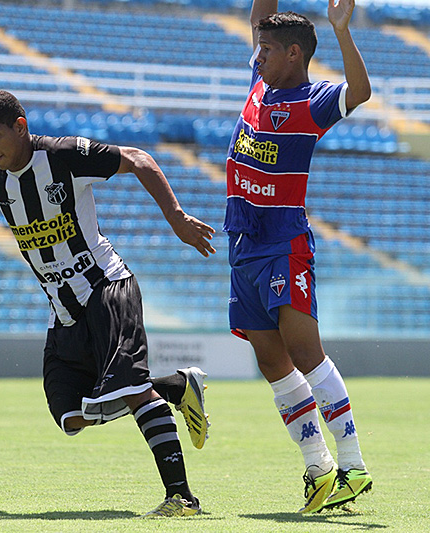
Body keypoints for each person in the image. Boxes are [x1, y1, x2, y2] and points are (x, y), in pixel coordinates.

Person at [0, 89, 216, 517]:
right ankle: (176, 386)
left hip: (106, 288)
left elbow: (137, 158)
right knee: (70, 417)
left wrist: (176, 217)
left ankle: (182, 498)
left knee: (130, 391)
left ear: (20, 127)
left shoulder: (63, 155)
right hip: (63, 312)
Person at [224, 0, 372, 514]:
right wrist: (263, 23)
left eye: (266, 49)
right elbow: (261, 15)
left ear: (294, 54)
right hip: (243, 242)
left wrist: (341, 29)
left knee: (305, 352)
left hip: (284, 241)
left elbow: (361, 92)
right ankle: (319, 467)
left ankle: (353, 464)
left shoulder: (313, 101)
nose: (256, 54)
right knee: (271, 361)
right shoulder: (258, 83)